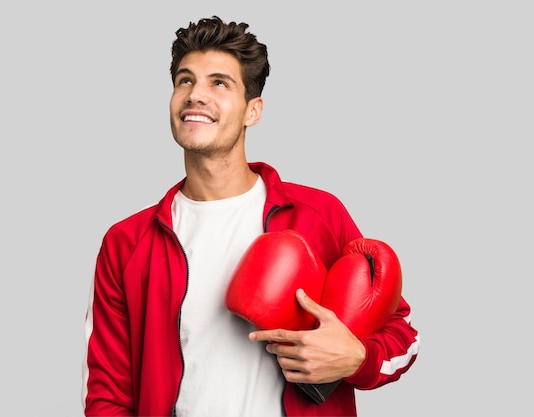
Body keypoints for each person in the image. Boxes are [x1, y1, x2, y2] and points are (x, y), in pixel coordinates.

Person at [82, 16, 420, 417]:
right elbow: (107, 394)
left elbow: (403, 336)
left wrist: (358, 359)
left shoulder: (319, 215)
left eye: (219, 83)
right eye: (185, 81)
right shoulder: (127, 241)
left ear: (252, 111)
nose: (195, 95)